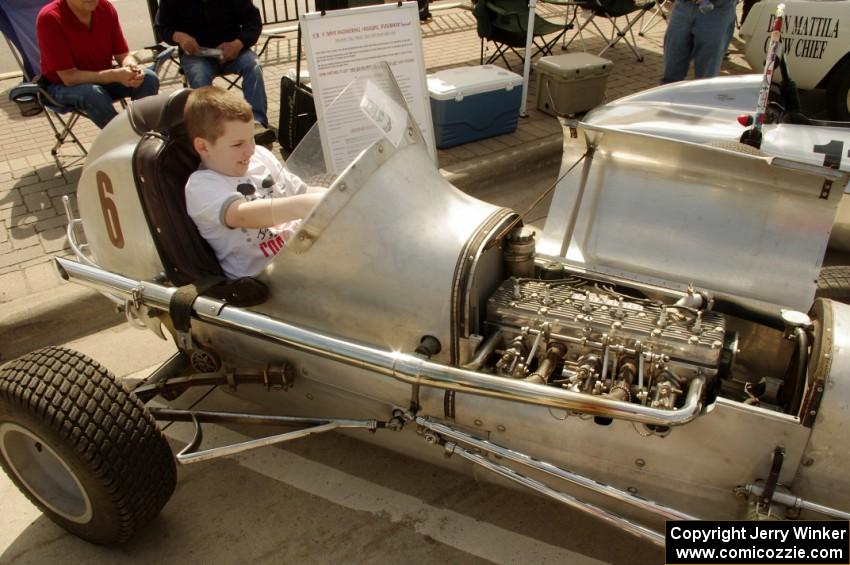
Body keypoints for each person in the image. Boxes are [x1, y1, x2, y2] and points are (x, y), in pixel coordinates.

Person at [184, 86, 324, 280]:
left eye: (251, 139)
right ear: (203, 146)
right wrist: (306, 205)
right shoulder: (202, 186)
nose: (250, 150)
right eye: (237, 144)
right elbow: (242, 216)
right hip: (261, 284)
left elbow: (302, 191)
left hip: (302, 260)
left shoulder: (260, 155)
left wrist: (340, 192)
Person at [154, 0, 275, 146]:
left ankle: (257, 123)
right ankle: (212, 130)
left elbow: (253, 22)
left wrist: (238, 44)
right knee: (199, 77)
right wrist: (180, 37)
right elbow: (162, 27)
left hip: (233, 50)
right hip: (196, 54)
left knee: (253, 66)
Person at [36, 0, 159, 129]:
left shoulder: (105, 7)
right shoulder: (49, 18)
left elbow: (123, 54)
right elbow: (69, 78)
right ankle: (125, 136)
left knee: (148, 78)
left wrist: (131, 67)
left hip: (103, 78)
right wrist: (114, 75)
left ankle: (146, 128)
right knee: (93, 94)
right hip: (60, 86)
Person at [660, 0, 738, 84]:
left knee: (706, 79)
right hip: (683, 6)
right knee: (670, 75)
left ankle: (703, 95)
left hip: (717, 9)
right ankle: (669, 96)